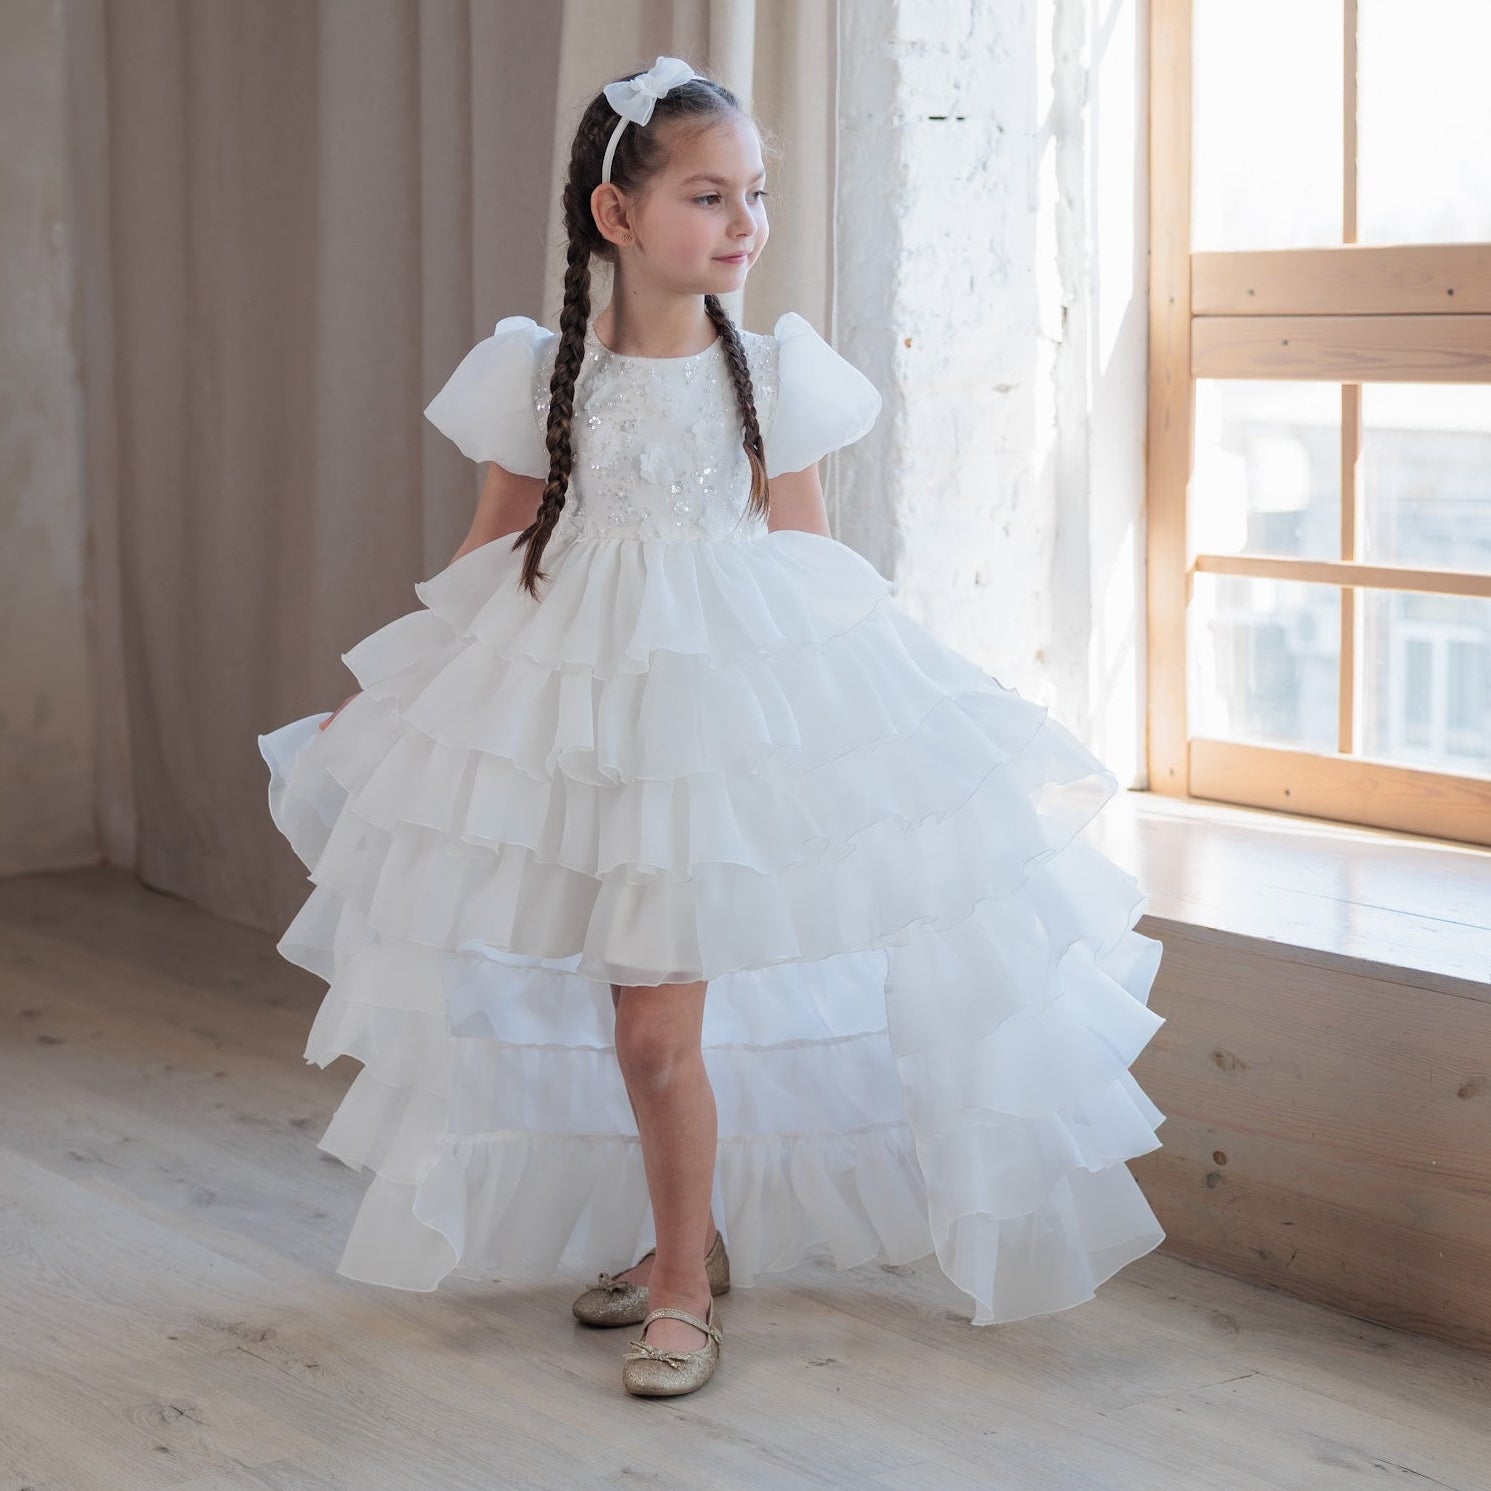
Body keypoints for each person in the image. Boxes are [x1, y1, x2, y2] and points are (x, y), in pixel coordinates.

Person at [257, 55, 1168, 1401]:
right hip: (574, 706)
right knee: (611, 1015)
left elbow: (808, 562)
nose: (743, 222)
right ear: (616, 216)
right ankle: (690, 1242)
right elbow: (492, 548)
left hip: (717, 723)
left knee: (652, 1031)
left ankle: (682, 1284)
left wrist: (893, 712)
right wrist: (393, 693)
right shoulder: (539, 373)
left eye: (754, 195)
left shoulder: (774, 376)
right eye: (707, 194)